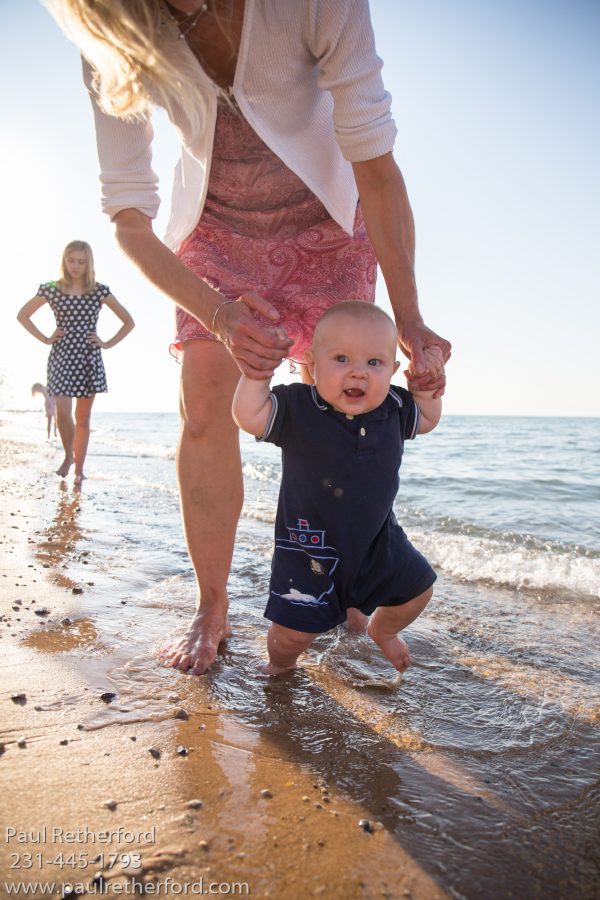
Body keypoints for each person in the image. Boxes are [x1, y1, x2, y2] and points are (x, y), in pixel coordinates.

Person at [45, 0, 451, 674]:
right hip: (214, 237)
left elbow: (377, 167)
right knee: (205, 400)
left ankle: (350, 584)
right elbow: (129, 216)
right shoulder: (112, 28)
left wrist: (409, 317)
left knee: (342, 408)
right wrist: (218, 313)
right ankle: (212, 606)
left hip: (329, 226)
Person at [233, 301, 442, 674]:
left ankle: (383, 630)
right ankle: (280, 666)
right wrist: (256, 376)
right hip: (309, 547)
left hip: (378, 543)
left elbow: (426, 419)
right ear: (312, 364)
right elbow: (249, 416)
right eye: (342, 359)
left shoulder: (394, 406)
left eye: (374, 363)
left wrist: (426, 389)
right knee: (292, 635)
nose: (359, 372)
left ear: (393, 371)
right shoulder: (298, 407)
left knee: (419, 590)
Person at [17, 241, 135, 481]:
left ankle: (79, 470)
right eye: (71, 260)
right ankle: (68, 456)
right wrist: (46, 338)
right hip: (61, 355)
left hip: (88, 357)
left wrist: (106, 343)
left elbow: (128, 321)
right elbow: (23, 315)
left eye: (81, 261)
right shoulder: (51, 289)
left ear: (88, 263)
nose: (76, 266)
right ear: (64, 260)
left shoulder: (99, 291)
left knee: (83, 418)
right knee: (62, 411)